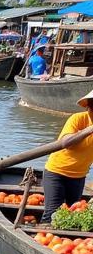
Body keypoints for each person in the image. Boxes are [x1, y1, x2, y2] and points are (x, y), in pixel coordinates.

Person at [42, 89, 93, 221]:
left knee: (72, 216)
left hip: (79, 176)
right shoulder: (77, 119)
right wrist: (89, 130)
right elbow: (66, 142)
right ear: (88, 106)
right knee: (52, 215)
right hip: (56, 173)